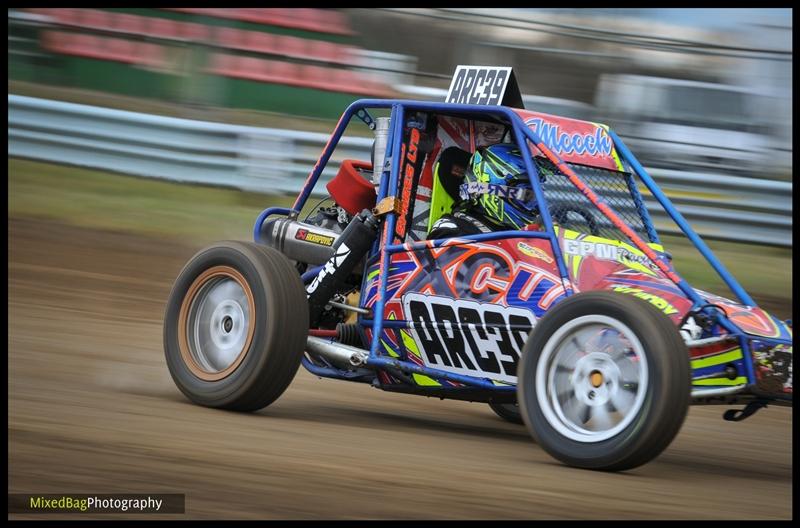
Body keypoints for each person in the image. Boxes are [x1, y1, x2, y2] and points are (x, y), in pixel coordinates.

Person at [428, 143, 542, 239]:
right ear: (489, 190)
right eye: (527, 195)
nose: (536, 203)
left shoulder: (523, 235)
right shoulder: (451, 230)